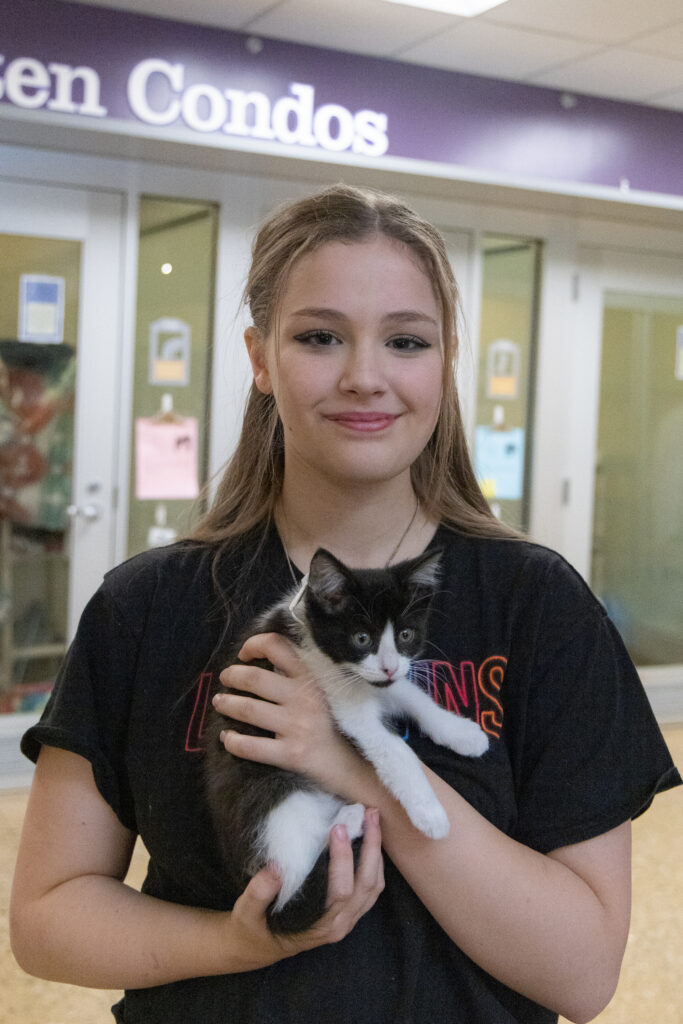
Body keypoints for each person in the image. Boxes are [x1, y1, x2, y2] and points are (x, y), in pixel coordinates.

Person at [10, 183, 680, 1024]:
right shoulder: (145, 608)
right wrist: (242, 941)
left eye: (406, 340)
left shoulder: (537, 605)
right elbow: (47, 920)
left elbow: (580, 975)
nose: (365, 377)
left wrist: (346, 763)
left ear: (443, 364)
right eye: (319, 337)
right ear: (259, 358)